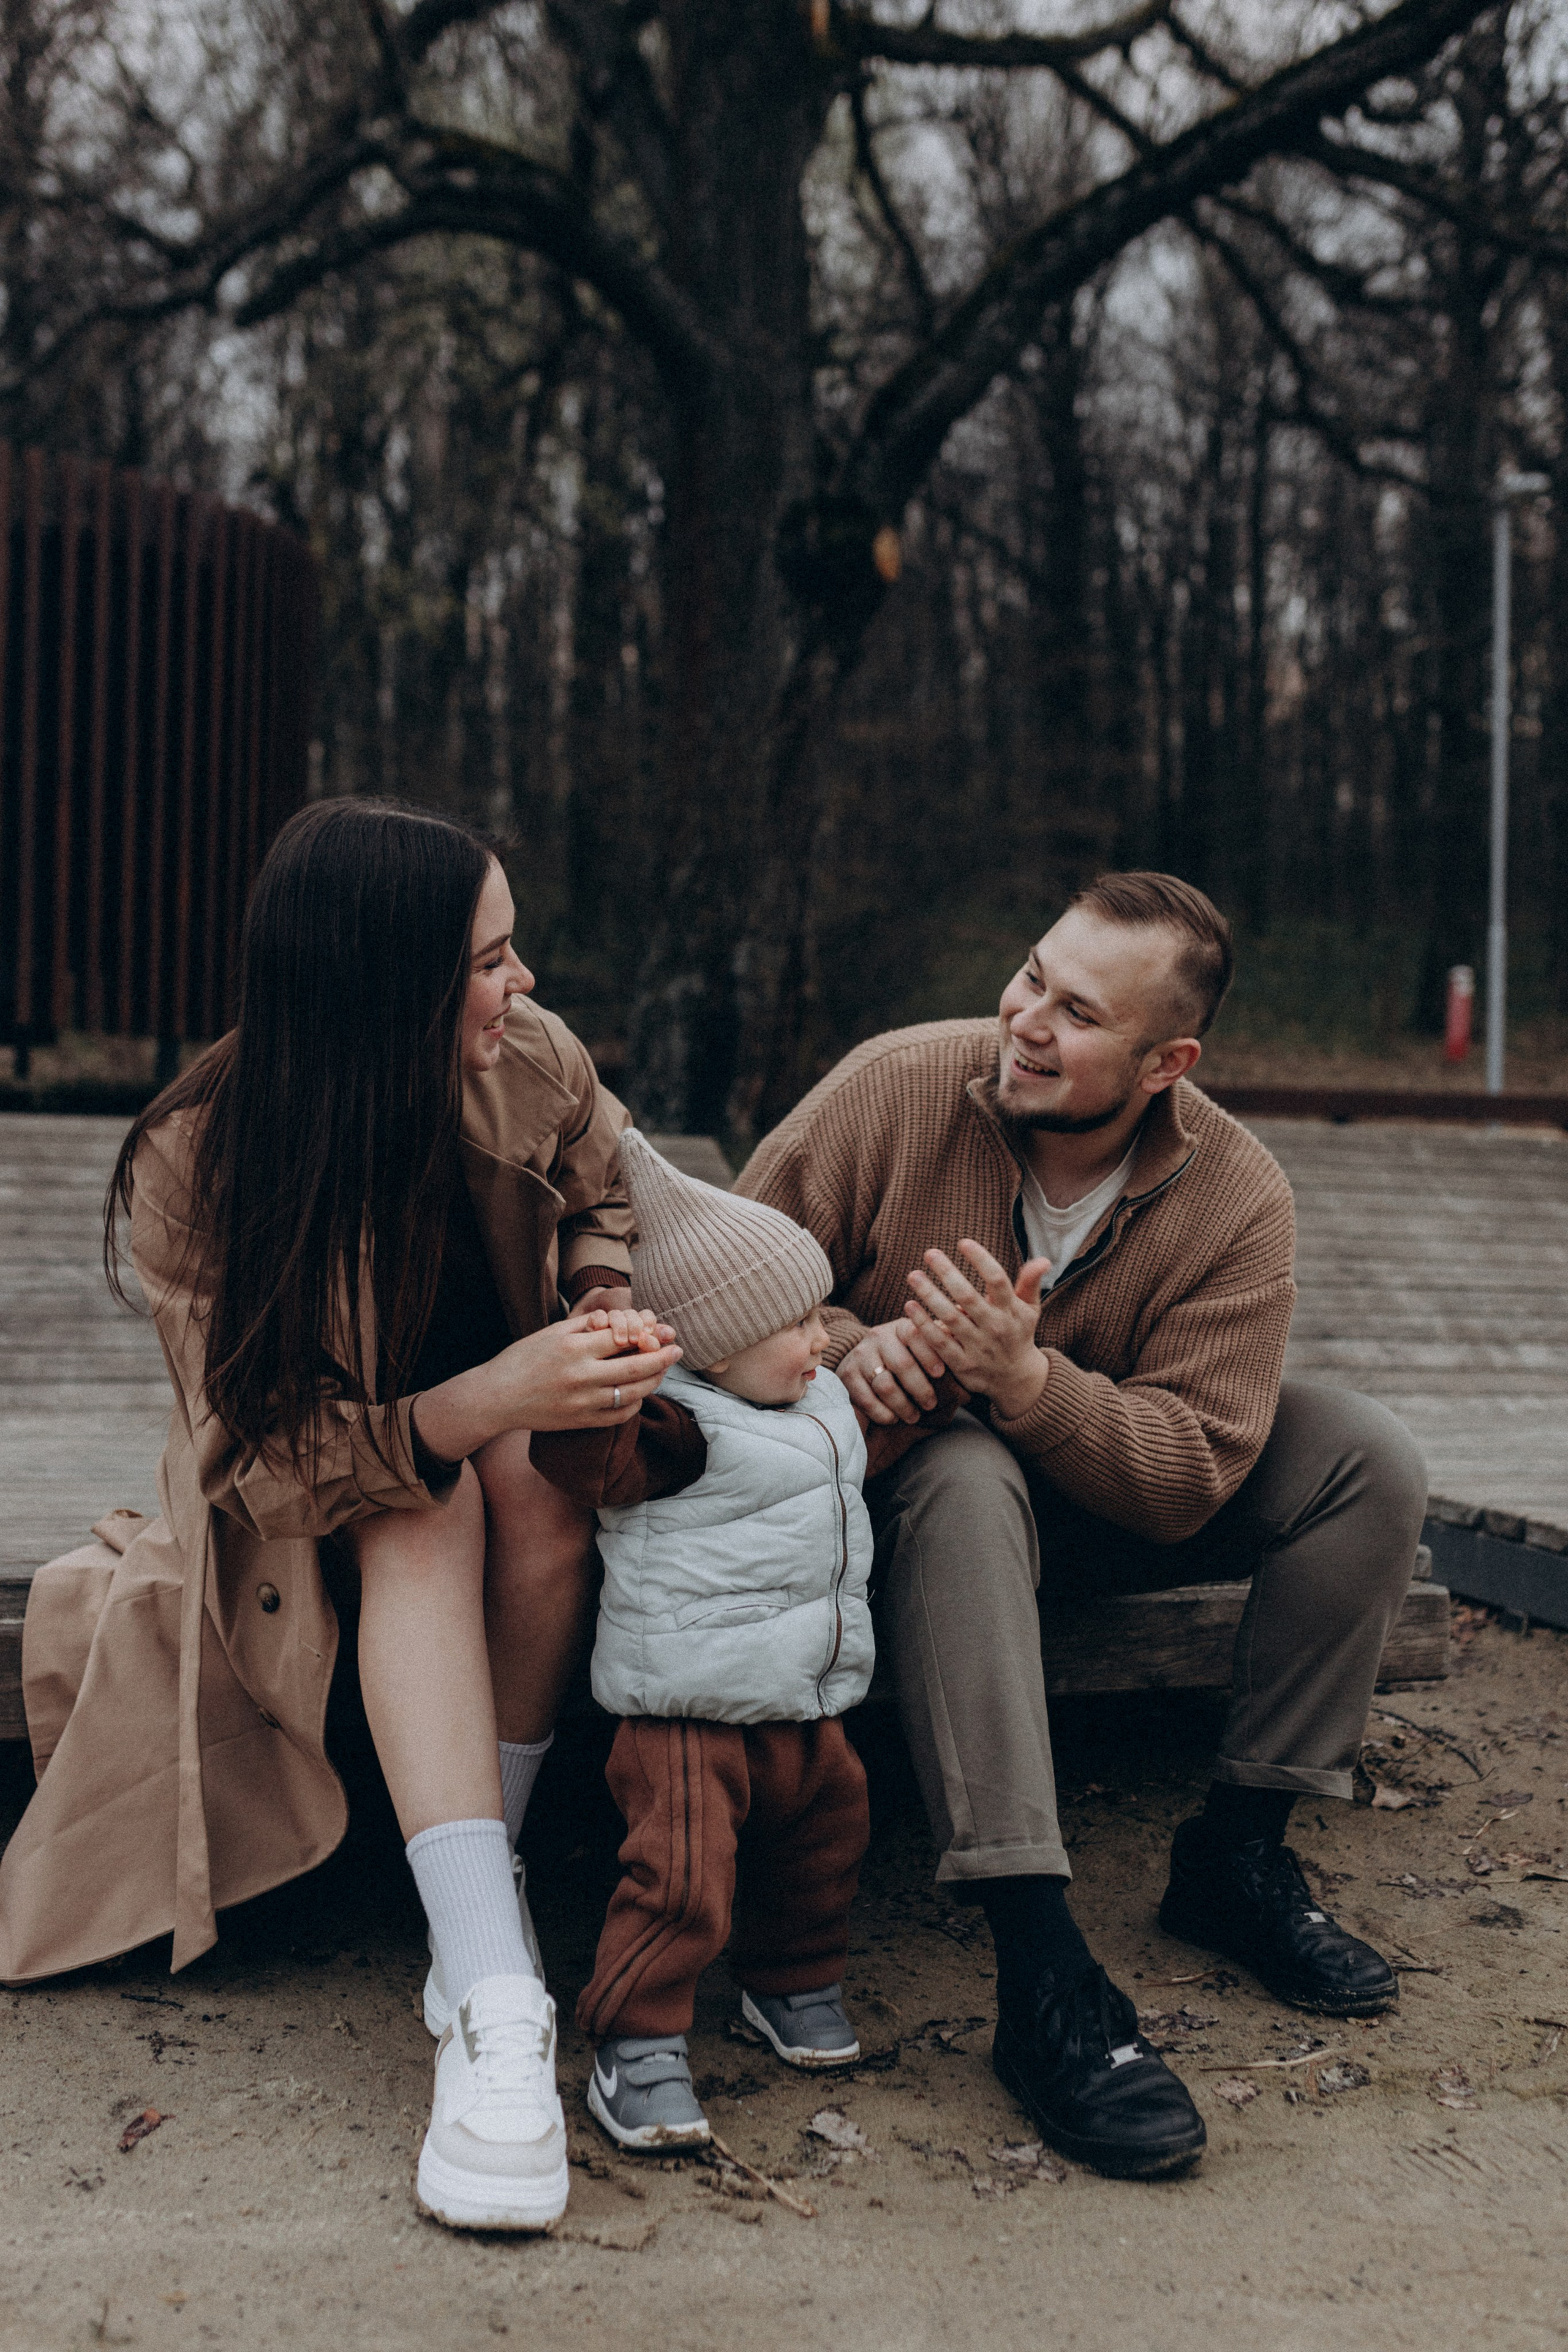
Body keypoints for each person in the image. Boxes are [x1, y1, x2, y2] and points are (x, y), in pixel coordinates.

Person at [0, 799, 681, 2235]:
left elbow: (597, 1176)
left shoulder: (528, 1062)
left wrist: (597, 1296)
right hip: (299, 1512)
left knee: (532, 1487)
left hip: (500, 1450)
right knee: (422, 1503)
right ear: (394, 985)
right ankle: (503, 2008)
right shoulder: (197, 1161)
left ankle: (467, 1926)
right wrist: (486, 1391)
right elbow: (270, 1460)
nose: (527, 985)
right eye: (491, 961)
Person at [736, 871, 1427, 2182]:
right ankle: (1038, 1960)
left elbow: (1193, 1471)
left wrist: (1029, 1383)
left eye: (1077, 1013)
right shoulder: (896, 1086)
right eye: (1029, 978)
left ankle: (1237, 1853)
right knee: (961, 1473)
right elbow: (718, 1279)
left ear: (1167, 1062)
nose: (1026, 1022)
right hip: (900, 1505)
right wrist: (845, 1345)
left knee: (1365, 1461)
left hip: (1110, 1499)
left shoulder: (1235, 1194)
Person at [532, 1132, 955, 2152]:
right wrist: (616, 1368)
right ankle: (637, 2042)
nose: (820, 1338)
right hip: (686, 1717)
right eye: (795, 1322)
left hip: (806, 1704)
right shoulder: (674, 1429)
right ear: (713, 1345)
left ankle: (792, 1982)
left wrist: (939, 1374)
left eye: (818, 1316)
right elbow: (580, 1461)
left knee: (825, 1846)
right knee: (680, 1880)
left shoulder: (816, 1404)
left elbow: (873, 1436)